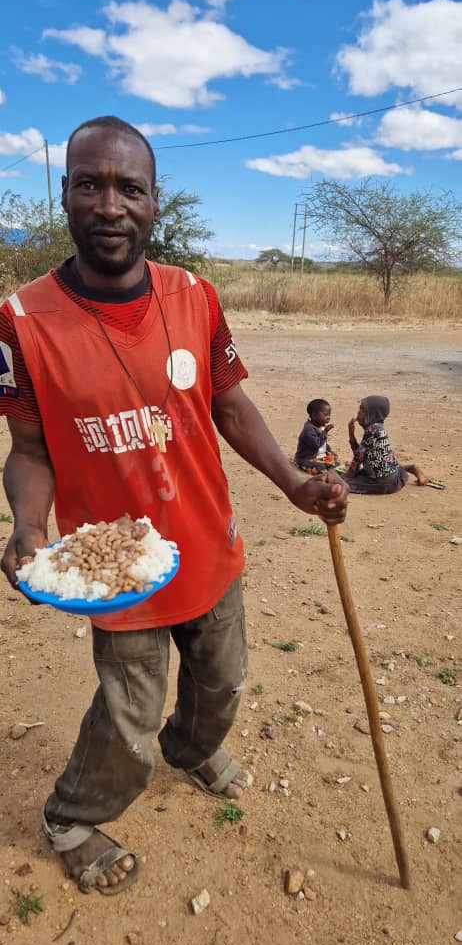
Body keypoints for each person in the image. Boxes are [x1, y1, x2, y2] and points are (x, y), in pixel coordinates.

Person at [0, 116, 348, 897]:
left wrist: (295, 484)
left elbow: (230, 406)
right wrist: (29, 525)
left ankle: (190, 750)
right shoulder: (21, 320)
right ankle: (72, 816)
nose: (109, 205)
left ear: (156, 202)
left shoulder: (195, 296)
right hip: (115, 567)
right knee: (130, 712)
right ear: (64, 195)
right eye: (89, 184)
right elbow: (28, 449)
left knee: (223, 681)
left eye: (129, 188)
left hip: (208, 542)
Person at [345, 395, 427, 494]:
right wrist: (351, 435)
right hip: (394, 474)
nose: (358, 412)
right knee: (363, 471)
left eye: (362, 410)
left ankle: (409, 468)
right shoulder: (377, 427)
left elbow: (358, 456)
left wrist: (348, 476)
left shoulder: (373, 430)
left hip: (384, 483)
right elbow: (361, 454)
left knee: (341, 483)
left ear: (372, 414)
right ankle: (410, 468)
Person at [294, 398, 338, 474]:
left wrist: (328, 450)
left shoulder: (320, 425)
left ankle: (327, 466)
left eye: (329, 415)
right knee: (319, 468)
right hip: (307, 458)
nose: (328, 417)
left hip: (319, 456)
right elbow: (316, 444)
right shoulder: (309, 429)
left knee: (334, 460)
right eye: (325, 415)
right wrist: (325, 432)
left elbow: (323, 444)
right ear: (314, 416)